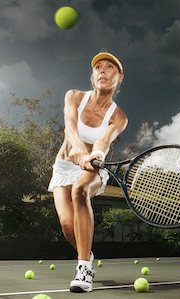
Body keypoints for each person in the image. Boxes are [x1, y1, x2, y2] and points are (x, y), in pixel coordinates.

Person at [48, 51, 128, 293]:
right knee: (66, 225)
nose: (102, 71)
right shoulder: (73, 96)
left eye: (109, 67)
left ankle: (83, 269)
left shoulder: (119, 117)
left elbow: (104, 140)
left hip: (92, 169)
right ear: (93, 76)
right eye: (98, 68)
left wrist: (97, 155)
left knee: (80, 191)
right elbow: (70, 127)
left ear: (119, 77)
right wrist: (80, 150)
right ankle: (88, 253)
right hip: (64, 166)